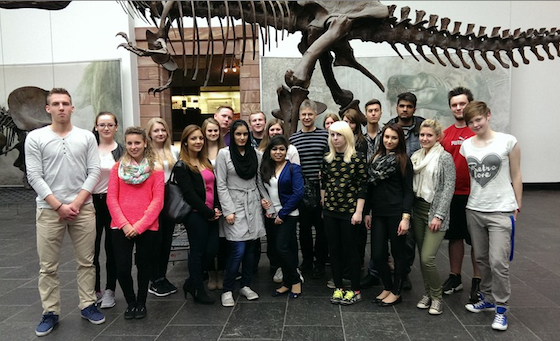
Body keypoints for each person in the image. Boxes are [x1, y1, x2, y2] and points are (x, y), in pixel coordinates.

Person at [26, 88, 105, 336]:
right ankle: (50, 311)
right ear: (48, 109)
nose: (61, 108)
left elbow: (94, 171)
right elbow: (34, 175)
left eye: (66, 104)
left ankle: (88, 304)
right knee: (48, 266)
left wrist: (78, 202)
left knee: (87, 262)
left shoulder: (86, 137)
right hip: (49, 210)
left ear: (72, 108)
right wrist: (58, 205)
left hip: (83, 208)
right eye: (56, 104)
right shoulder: (35, 137)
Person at [461, 101, 522, 331]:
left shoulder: (508, 141)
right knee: (481, 259)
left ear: (488, 115)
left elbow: (516, 175)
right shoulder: (466, 146)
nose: (475, 124)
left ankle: (501, 308)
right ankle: (486, 298)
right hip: (475, 208)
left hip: (501, 210)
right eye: (470, 122)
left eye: (478, 119)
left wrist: (518, 206)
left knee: (499, 261)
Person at [107, 126, 164, 320]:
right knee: (122, 267)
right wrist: (124, 224)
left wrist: (139, 226)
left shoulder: (156, 169)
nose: (133, 146)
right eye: (129, 143)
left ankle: (141, 302)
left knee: (144, 266)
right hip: (120, 226)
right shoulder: (117, 168)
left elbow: (158, 201)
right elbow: (111, 199)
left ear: (145, 143)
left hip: (147, 226)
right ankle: (130, 301)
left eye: (137, 142)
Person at [216, 120, 274, 307]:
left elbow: (258, 181)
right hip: (234, 205)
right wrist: (228, 210)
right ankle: (227, 289)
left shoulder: (255, 154)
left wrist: (265, 201)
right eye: (238, 134)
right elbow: (221, 184)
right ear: (232, 135)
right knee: (237, 250)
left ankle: (246, 285)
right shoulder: (224, 154)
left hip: (253, 204)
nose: (242, 138)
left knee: (251, 249)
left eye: (245, 134)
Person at [441, 87, 482, 302]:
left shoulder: (478, 131)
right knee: (455, 237)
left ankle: (477, 281)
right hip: (453, 194)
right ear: (450, 108)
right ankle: (455, 277)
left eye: (462, 104)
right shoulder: (446, 134)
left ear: (470, 104)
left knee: (476, 239)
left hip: (476, 194)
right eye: (454, 104)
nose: (458, 108)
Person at [365, 123, 413, 307]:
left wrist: (405, 217)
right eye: (386, 137)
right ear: (381, 138)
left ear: (399, 140)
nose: (389, 141)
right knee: (377, 255)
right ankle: (387, 286)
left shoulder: (403, 160)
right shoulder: (375, 159)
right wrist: (367, 212)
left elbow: (408, 191)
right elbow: (371, 188)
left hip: (396, 213)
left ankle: (396, 291)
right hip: (378, 213)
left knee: (398, 254)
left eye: (394, 138)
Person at [410, 119, 456, 315]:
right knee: (421, 257)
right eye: (422, 135)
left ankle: (437, 297)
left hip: (434, 212)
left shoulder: (444, 157)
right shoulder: (416, 157)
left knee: (428, 257)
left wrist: (438, 215)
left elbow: (448, 188)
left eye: (429, 135)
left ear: (438, 137)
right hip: (417, 210)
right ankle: (427, 293)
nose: (425, 138)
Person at [174, 125, 222, 304]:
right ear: (185, 142)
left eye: (200, 138)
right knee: (198, 252)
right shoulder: (182, 165)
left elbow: (213, 188)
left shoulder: (206, 162)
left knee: (212, 250)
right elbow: (190, 195)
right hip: (195, 215)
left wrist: (216, 207)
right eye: (193, 138)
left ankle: (191, 282)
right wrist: (208, 212)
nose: (198, 142)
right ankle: (198, 289)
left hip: (211, 213)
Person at [321, 121, 367, 305]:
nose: (335, 138)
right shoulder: (327, 158)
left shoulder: (357, 158)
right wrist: (323, 204)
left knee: (351, 252)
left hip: (349, 212)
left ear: (347, 135)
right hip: (331, 211)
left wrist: (359, 212)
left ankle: (355, 289)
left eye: (338, 134)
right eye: (332, 135)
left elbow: (363, 186)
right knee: (334, 251)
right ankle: (339, 287)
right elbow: (324, 183)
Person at [387, 92, 425, 290]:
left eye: (409, 106)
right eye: (402, 105)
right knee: (388, 233)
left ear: (414, 109)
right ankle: (386, 269)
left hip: (417, 187)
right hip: (393, 188)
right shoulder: (390, 127)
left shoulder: (423, 128)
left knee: (407, 236)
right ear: (396, 107)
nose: (405, 109)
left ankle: (404, 272)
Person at [289, 99, 329, 279]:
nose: (306, 117)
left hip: (321, 190)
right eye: (303, 114)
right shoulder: (293, 139)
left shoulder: (325, 136)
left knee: (321, 230)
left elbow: (329, 161)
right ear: (299, 116)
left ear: (316, 115)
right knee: (303, 230)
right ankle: (306, 261)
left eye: (309, 114)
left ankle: (320, 262)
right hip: (302, 191)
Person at [260, 135, 305, 298]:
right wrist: (263, 201)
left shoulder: (294, 168)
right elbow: (262, 188)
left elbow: (299, 193)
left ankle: (295, 281)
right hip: (271, 215)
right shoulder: (266, 167)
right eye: (274, 149)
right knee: (277, 250)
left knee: (282, 247)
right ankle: (287, 282)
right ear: (269, 151)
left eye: (281, 149)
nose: (278, 152)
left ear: (286, 151)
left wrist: (283, 214)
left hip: (288, 214)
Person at [91, 112, 124, 309]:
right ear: (96, 127)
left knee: (112, 248)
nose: (106, 128)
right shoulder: (89, 149)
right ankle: (95, 290)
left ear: (116, 127)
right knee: (91, 250)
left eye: (110, 124)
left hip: (113, 203)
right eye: (102, 125)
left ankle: (110, 290)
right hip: (91, 203)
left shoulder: (121, 151)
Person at [146, 117, 180, 297]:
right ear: (150, 133)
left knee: (166, 240)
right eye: (156, 130)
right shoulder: (145, 153)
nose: (160, 133)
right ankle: (154, 279)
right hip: (150, 199)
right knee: (154, 241)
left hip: (169, 198)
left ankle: (162, 276)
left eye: (163, 130)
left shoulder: (173, 151)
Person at [201, 117, 227, 291]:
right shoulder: (198, 152)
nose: (212, 133)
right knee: (208, 242)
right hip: (205, 202)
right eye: (209, 130)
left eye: (215, 130)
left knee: (223, 241)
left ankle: (222, 273)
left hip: (223, 200)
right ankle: (211, 273)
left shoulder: (225, 151)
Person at [360, 99, 383, 288]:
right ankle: (370, 270)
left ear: (380, 113)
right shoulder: (360, 138)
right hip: (364, 189)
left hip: (384, 189)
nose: (373, 113)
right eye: (370, 111)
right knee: (367, 230)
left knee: (383, 233)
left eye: (376, 110)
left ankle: (380, 270)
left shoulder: (387, 135)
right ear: (365, 114)